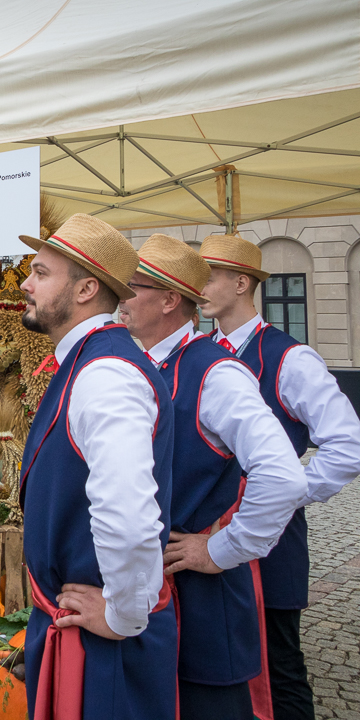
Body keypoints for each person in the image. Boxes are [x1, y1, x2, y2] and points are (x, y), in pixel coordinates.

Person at [119, 234, 307, 720]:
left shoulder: (216, 372)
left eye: (133, 286)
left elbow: (283, 476)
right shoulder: (140, 365)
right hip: (155, 594)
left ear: (169, 299)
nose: (121, 297)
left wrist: (220, 549)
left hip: (202, 597)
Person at [16, 214, 177, 720]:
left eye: (41, 273)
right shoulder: (88, 360)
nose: (25, 284)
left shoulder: (105, 372)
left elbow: (128, 515)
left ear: (86, 289)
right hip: (80, 631)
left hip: (100, 649)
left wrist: (125, 614)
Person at [198, 234, 360, 720]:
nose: (197, 287)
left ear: (242, 282)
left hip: (270, 537)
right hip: (207, 534)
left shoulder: (290, 357)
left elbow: (348, 445)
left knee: (280, 662)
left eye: (210, 276)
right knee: (222, 658)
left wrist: (290, 491)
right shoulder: (202, 350)